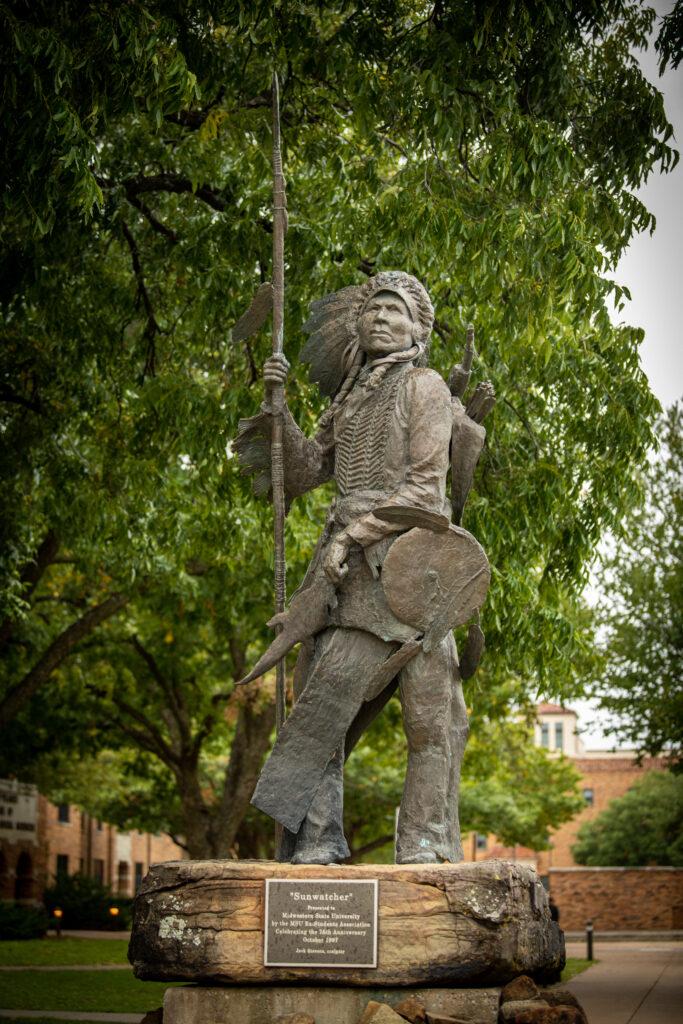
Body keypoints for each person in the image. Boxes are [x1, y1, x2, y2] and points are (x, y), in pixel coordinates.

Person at [235, 271, 490, 865]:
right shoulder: (346, 400)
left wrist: (354, 533)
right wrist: (280, 409)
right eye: (373, 308)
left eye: (396, 310)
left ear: (418, 328)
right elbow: (302, 473)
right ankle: (317, 843)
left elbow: (427, 491)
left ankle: (427, 845)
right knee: (320, 711)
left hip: (415, 566)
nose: (381, 317)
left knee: (434, 720)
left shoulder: (424, 388)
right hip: (346, 576)